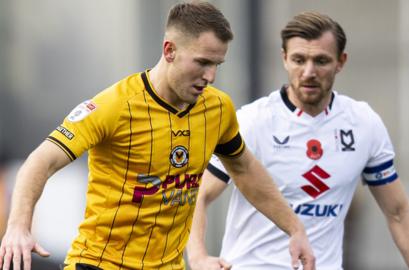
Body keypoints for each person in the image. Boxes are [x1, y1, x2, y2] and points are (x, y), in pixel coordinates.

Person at [0, 2, 316, 270]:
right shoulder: (113, 106)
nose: (210, 76)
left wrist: (295, 228)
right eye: (202, 63)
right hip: (99, 263)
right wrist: (18, 226)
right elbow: (40, 161)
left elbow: (245, 169)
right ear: (169, 50)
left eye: (217, 64)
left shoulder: (218, 108)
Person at [187, 11, 409, 270]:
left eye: (321, 61)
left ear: (341, 62)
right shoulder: (253, 121)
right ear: (284, 59)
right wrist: (198, 257)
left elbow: (399, 214)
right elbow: (197, 194)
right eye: (298, 59)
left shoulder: (363, 124)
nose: (308, 72)